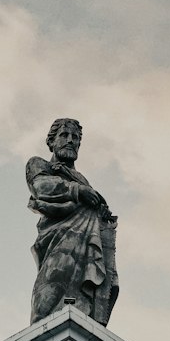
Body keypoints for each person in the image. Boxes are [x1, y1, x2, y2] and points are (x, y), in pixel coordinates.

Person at [27, 118, 119, 325]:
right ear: (51, 141)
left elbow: (90, 206)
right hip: (58, 239)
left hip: (87, 242)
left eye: (75, 138)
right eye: (64, 135)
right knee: (51, 285)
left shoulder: (81, 178)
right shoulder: (38, 164)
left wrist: (100, 212)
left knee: (84, 295)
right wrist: (78, 191)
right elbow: (41, 186)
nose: (70, 141)